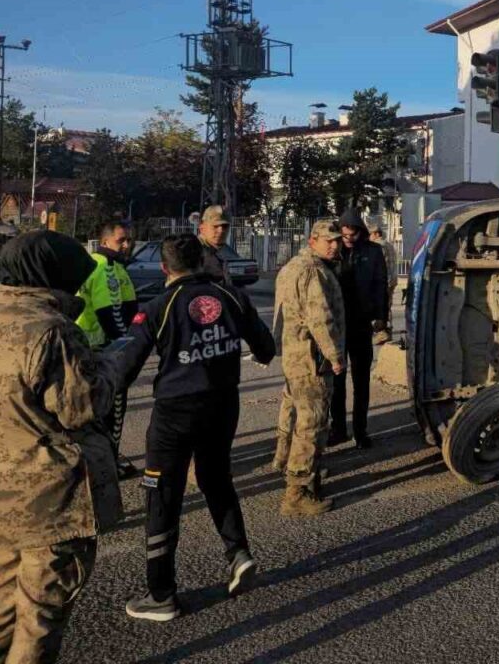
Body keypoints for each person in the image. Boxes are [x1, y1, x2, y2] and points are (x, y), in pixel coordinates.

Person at [0, 231, 147, 661]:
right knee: (39, 618)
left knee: (2, 612)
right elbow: (83, 408)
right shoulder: (51, 331)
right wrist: (114, 364)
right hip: (49, 504)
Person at [122, 234, 275, 622]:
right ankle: (238, 552)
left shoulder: (160, 305)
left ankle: (161, 595)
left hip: (175, 412)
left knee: (162, 494)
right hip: (223, 405)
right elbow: (266, 349)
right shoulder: (232, 297)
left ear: (164, 267)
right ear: (203, 261)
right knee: (216, 477)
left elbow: (125, 367)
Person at [273, 219, 345, 516]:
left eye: (337, 240)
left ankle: (292, 467)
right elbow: (321, 320)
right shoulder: (313, 271)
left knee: (294, 415)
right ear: (312, 239)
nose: (335, 245)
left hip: (294, 356)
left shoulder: (291, 266)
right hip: (312, 359)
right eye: (328, 240)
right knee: (312, 422)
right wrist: (335, 355)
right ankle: (297, 492)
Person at [76, 219, 140, 478]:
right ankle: (108, 465)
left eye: (128, 240)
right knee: (112, 409)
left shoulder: (100, 264)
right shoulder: (105, 268)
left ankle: (99, 460)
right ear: (104, 242)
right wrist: (125, 348)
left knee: (94, 411)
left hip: (89, 348)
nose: (126, 245)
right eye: (120, 240)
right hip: (102, 349)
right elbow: (110, 313)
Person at [332, 209, 388, 449]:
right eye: (344, 235)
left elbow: (380, 284)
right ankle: (338, 429)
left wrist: (381, 317)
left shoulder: (373, 252)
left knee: (361, 381)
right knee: (337, 381)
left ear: (360, 232)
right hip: (337, 325)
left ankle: (360, 430)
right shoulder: (332, 251)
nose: (348, 239)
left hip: (361, 324)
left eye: (353, 235)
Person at [370, 223, 399, 336]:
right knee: (388, 304)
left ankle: (381, 331)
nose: (369, 237)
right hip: (392, 279)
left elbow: (379, 265)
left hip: (383, 281)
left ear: (376, 234)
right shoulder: (389, 244)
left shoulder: (378, 245)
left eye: (370, 234)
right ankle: (388, 328)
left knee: (380, 306)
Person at [197, 205, 231, 284]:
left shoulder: (215, 252)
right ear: (202, 229)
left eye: (225, 226)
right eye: (215, 226)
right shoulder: (194, 252)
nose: (221, 231)